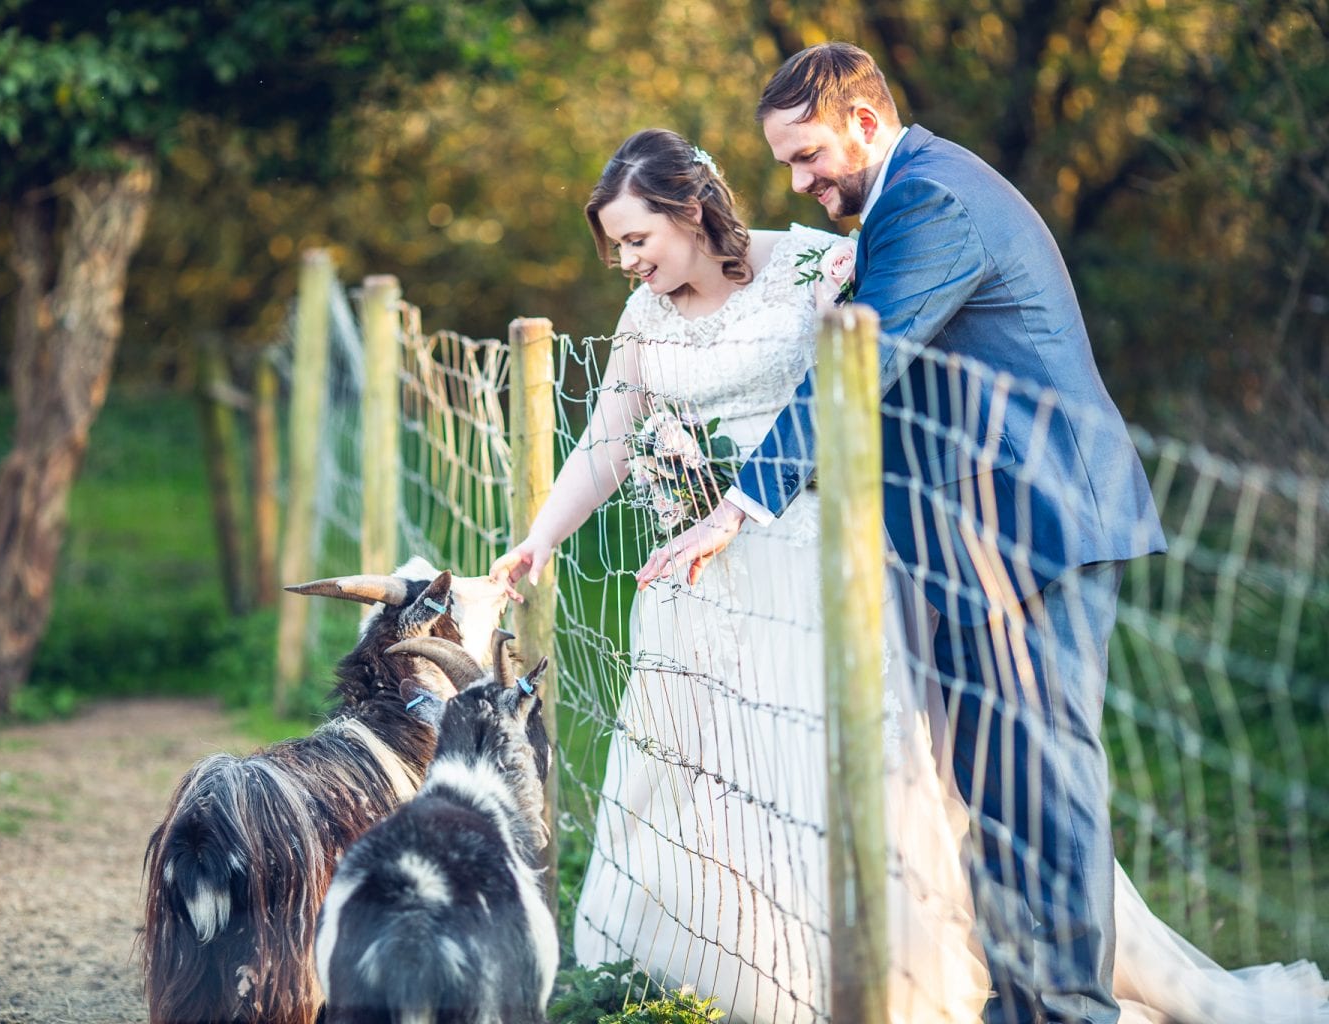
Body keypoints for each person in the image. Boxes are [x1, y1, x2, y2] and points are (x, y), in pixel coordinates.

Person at [627, 42, 1329, 1024]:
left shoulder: (930, 203)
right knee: (999, 791)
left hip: (1026, 531)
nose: (796, 179)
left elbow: (857, 373)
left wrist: (740, 504)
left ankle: (1065, 1010)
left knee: (1040, 790)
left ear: (866, 122)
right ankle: (1033, 1004)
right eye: (786, 162)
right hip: (979, 539)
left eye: (808, 153)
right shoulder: (910, 196)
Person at [491, 126, 992, 1023]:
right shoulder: (643, 316)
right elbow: (608, 442)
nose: (625, 263)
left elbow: (888, 381)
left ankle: (853, 986)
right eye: (614, 247)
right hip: (693, 587)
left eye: (636, 239)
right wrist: (541, 539)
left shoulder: (818, 268)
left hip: (807, 571)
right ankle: (689, 992)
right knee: (695, 786)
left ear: (690, 213)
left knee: (812, 774)